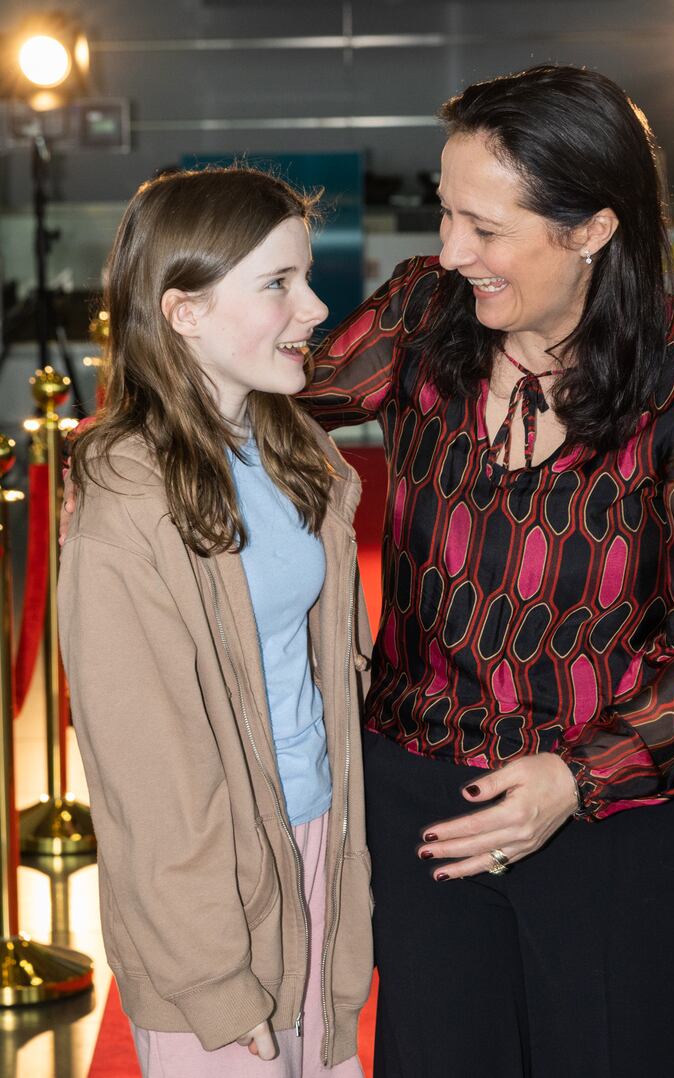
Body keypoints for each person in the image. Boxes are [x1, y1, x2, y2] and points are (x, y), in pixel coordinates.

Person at [300, 65, 674, 1077]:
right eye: (445, 216)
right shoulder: (424, 312)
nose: (448, 253)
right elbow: (283, 404)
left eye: (485, 228)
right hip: (425, 800)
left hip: (621, 822)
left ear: (590, 230)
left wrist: (575, 777)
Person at [57, 167, 374, 1077]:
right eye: (278, 284)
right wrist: (210, 975)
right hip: (214, 899)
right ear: (184, 312)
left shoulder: (288, 447)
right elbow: (147, 773)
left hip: (310, 839)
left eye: (306, 278)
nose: (314, 308)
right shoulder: (128, 496)